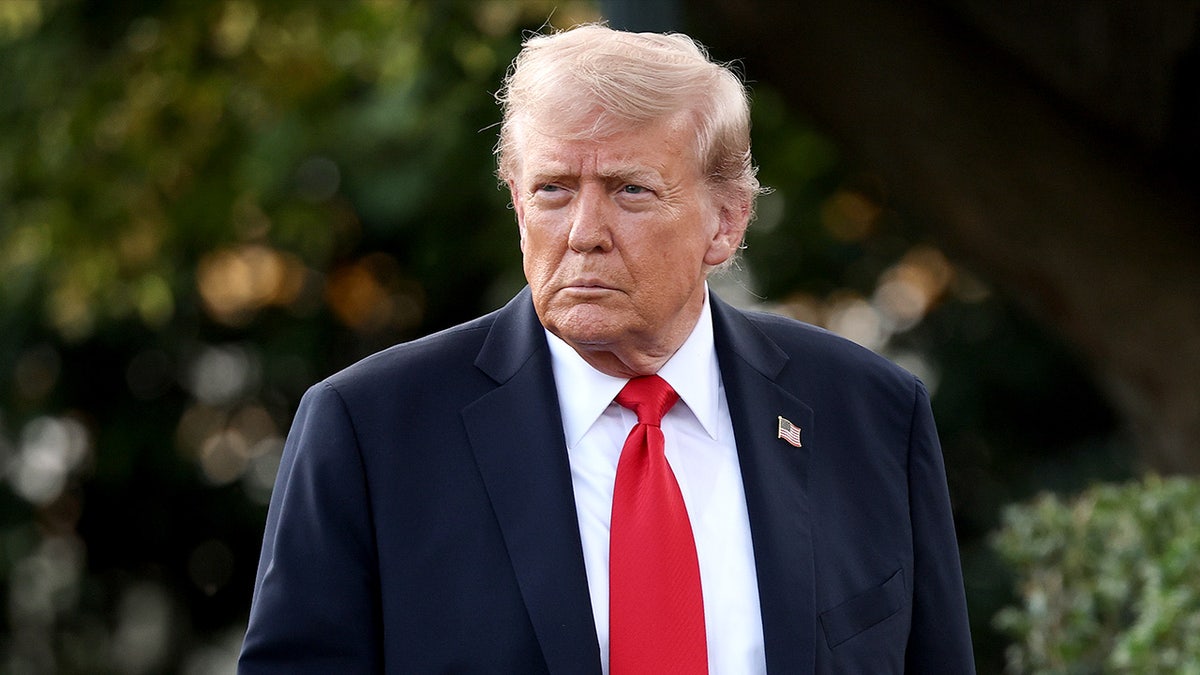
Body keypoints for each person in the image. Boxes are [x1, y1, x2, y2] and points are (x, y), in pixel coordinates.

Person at [238, 24, 975, 674]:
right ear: (518, 204)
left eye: (629, 191)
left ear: (725, 222)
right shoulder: (372, 430)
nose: (583, 230)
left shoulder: (869, 411)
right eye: (553, 189)